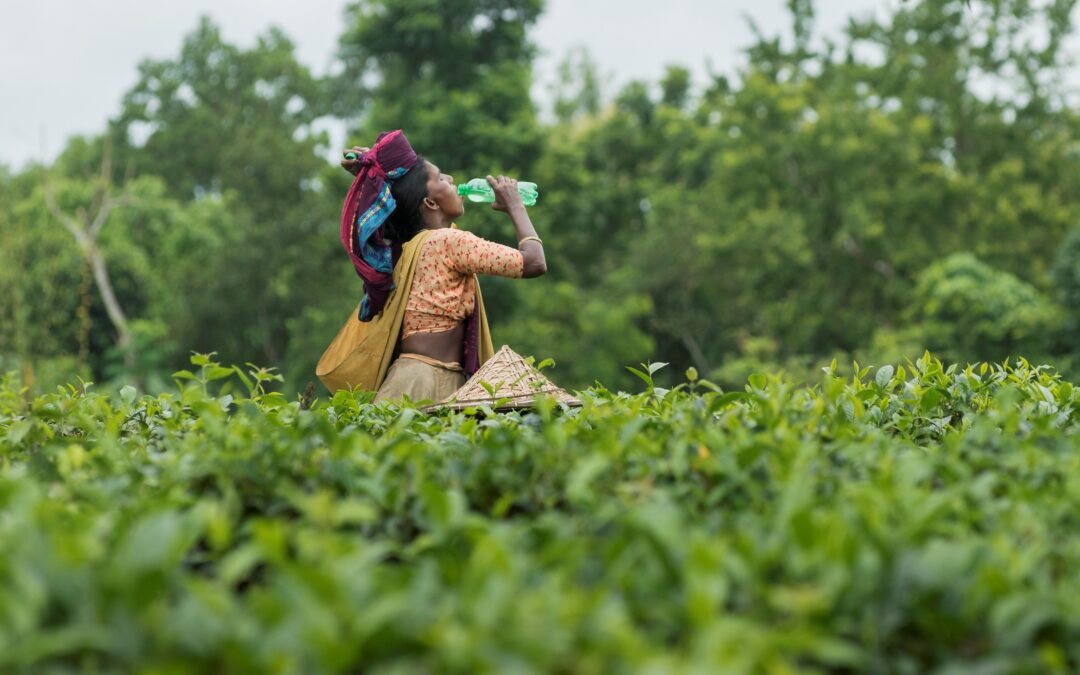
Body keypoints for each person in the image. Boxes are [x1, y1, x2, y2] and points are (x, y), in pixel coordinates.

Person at [315, 129, 546, 403]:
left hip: (421, 377)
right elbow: (534, 262)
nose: (450, 179)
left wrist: (381, 174)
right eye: (440, 178)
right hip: (422, 380)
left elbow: (396, 206)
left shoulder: (408, 247)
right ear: (430, 202)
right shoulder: (448, 243)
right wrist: (516, 206)